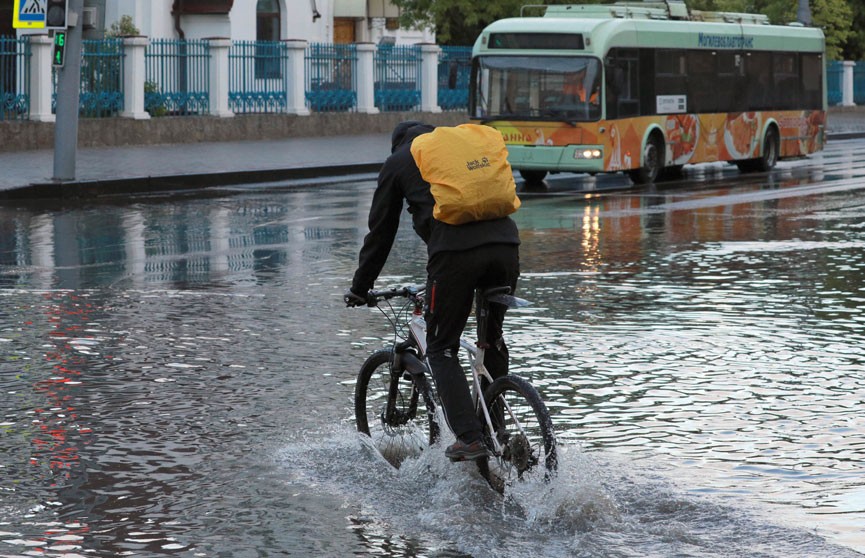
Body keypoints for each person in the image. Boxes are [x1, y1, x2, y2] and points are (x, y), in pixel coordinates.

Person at [345, 121, 521, 461]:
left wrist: (360, 287)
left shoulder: (399, 161)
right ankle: (495, 429)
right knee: (492, 341)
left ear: (397, 145)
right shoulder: (457, 153)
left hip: (455, 255)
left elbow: (381, 233)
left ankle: (470, 438)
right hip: (506, 247)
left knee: (441, 347)